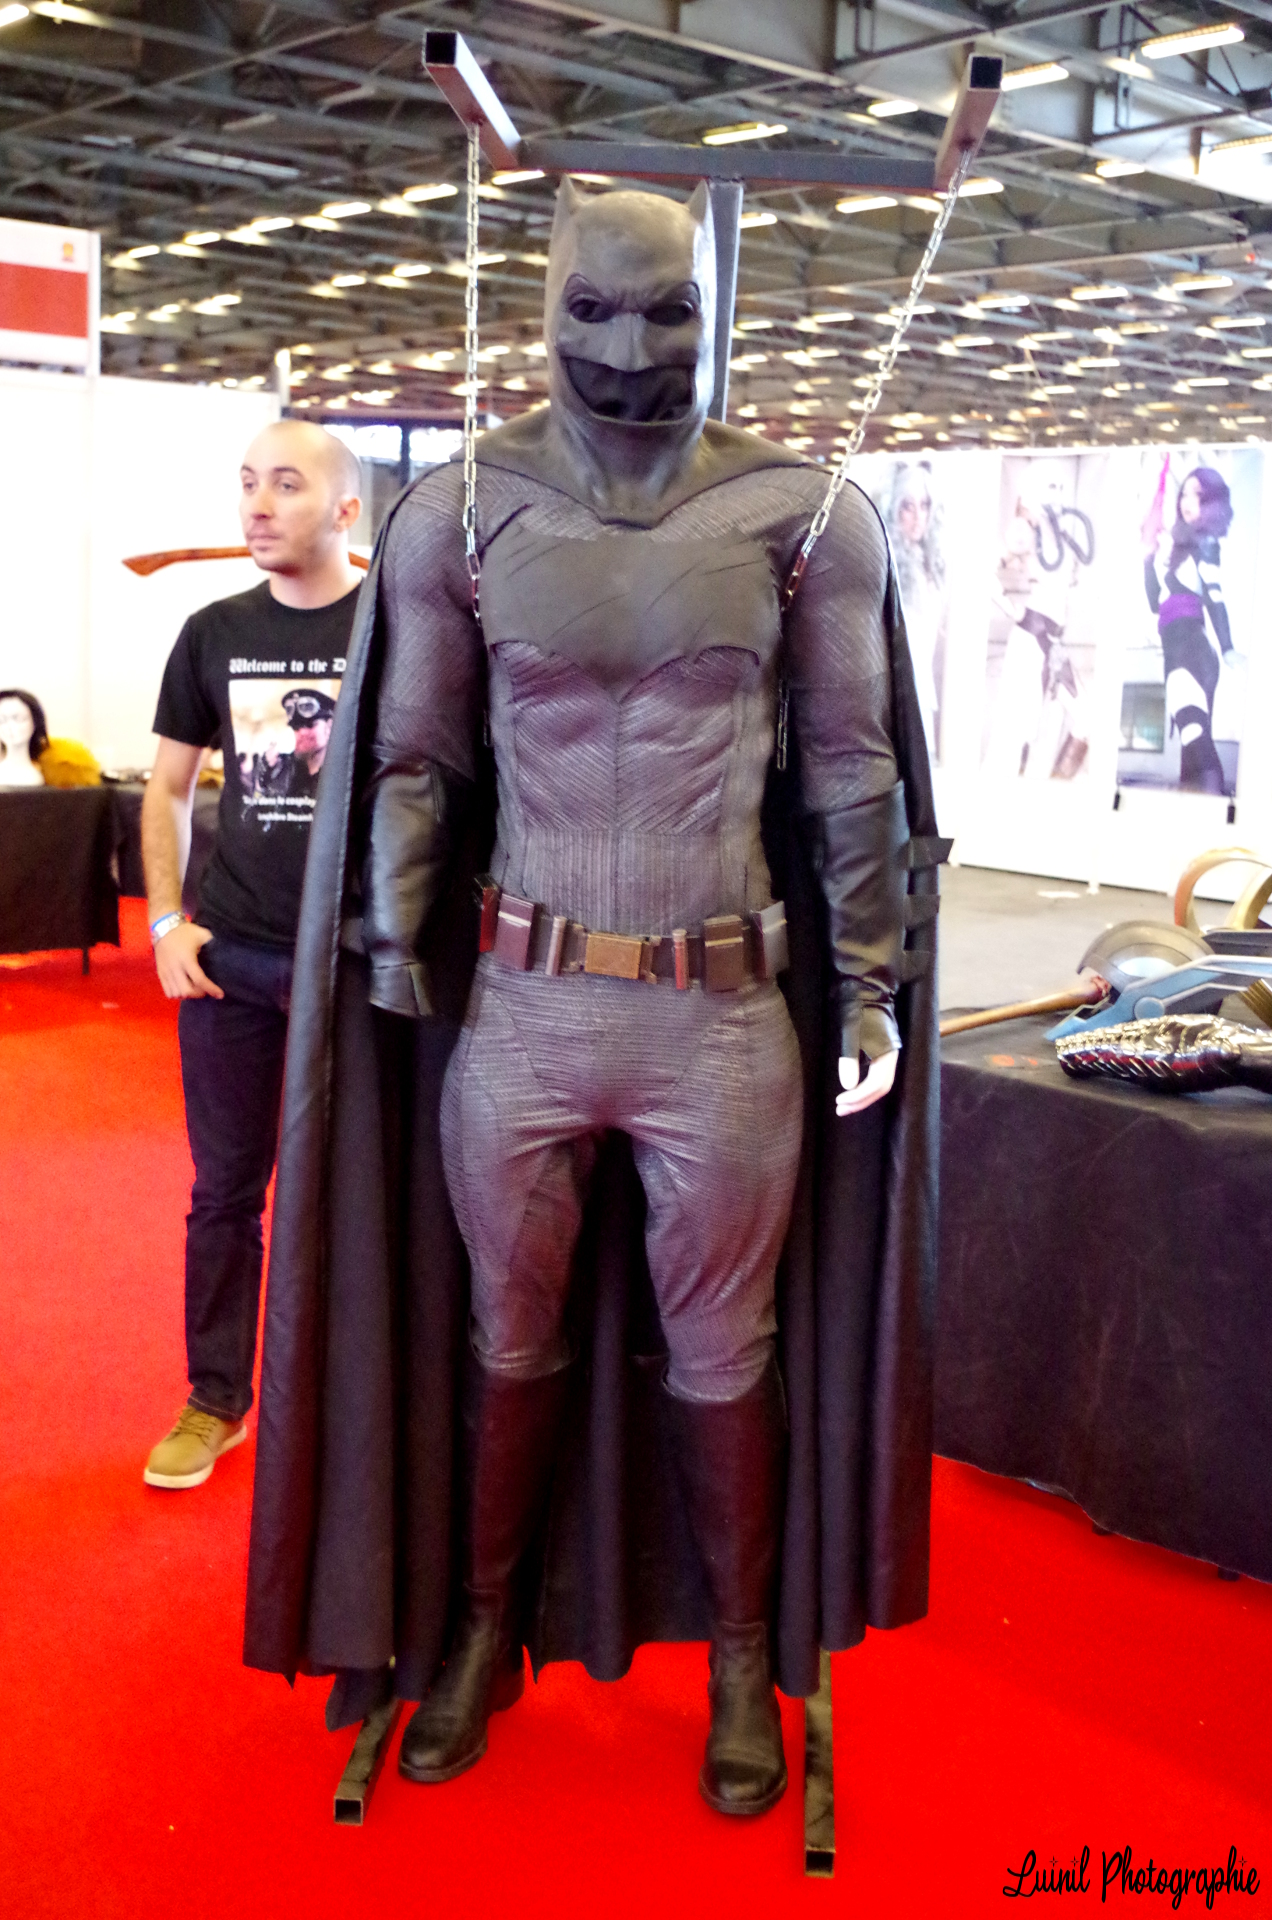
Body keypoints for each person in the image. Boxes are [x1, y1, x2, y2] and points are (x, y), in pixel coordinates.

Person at [245, 181, 943, 1822]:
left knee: (726, 1350)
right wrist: (391, 948)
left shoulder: (807, 515)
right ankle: (484, 1631)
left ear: (718, 305)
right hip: (525, 1011)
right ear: (546, 300)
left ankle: (740, 1662)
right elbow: (414, 759)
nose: (629, 351)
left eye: (668, 312)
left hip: (724, 1021)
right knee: (507, 1334)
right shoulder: (459, 514)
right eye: (595, 311)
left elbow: (853, 776)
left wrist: (870, 984)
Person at [141, 420, 362, 1490]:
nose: (259, 506)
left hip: (357, 964)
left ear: (346, 510)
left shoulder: (395, 626)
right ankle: (216, 1399)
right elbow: (167, 788)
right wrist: (165, 922)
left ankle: (358, 1409)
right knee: (225, 1194)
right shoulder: (213, 632)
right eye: (247, 485)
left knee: (365, 1194)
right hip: (232, 961)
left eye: (286, 485)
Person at [1143, 465, 1235, 795]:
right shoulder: (1179, 548)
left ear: (1211, 502)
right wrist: (1147, 560)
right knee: (1191, 752)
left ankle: (1217, 814)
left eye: (1197, 495)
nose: (1187, 501)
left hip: (1190, 651)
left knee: (1195, 740)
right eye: (1184, 493)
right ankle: (1204, 813)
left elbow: (1214, 595)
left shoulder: (1205, 544)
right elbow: (1156, 603)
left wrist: (1228, 647)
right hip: (1180, 651)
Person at [0, 688, 49, 786]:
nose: (11, 727)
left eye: (20, 719)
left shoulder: (49, 773)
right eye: (2, 721)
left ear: (35, 722)